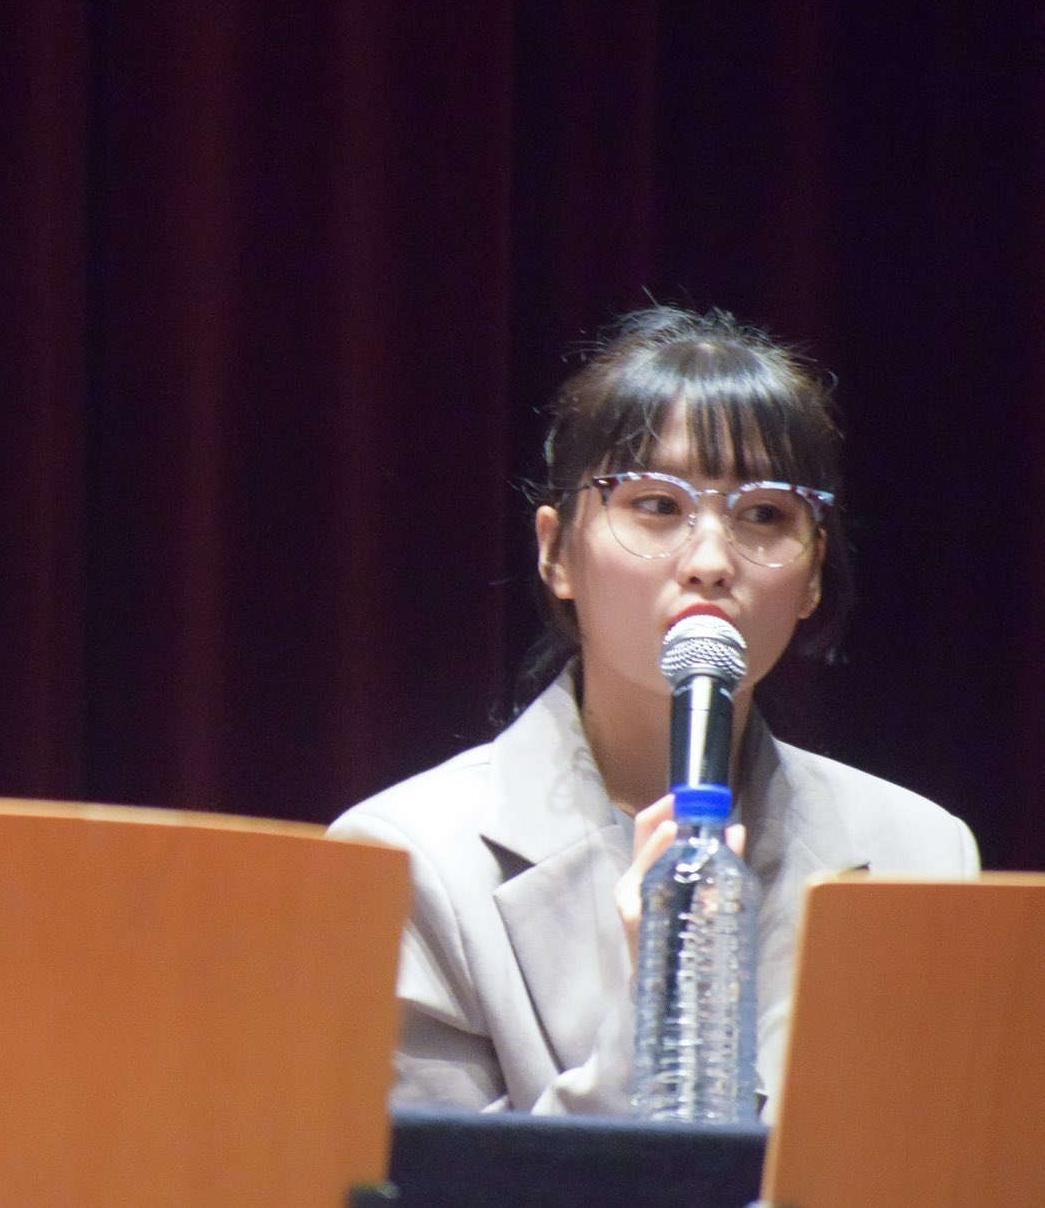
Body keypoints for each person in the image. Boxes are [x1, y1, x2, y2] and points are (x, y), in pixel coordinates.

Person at [330, 306, 978, 1117]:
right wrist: (657, 1015)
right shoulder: (408, 859)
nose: (710, 560)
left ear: (814, 573)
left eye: (764, 515)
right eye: (657, 506)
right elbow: (435, 1176)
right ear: (556, 551)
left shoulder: (921, 852)